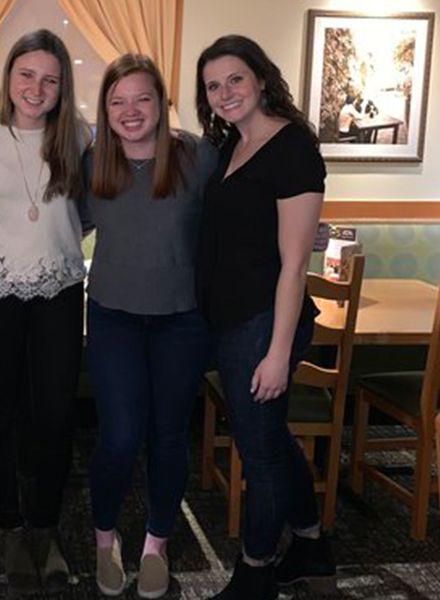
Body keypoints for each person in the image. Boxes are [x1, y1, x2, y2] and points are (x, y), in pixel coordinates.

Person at [195, 35, 335, 600]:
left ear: (260, 77)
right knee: (270, 440)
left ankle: (256, 571)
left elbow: (294, 266)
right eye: (213, 85)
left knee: (258, 454)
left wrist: (277, 353)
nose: (225, 92)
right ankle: (310, 545)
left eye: (235, 78)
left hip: (263, 323)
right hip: (233, 322)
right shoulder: (231, 143)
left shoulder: (292, 146)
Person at [80, 54, 214, 599]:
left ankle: (156, 543)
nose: (130, 111)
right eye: (118, 101)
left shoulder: (198, 156)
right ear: (105, 109)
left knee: (168, 435)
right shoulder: (92, 162)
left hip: (182, 319)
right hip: (113, 316)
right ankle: (105, 537)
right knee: (119, 434)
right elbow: (59, 223)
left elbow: (241, 214)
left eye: (142, 98)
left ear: (162, 103)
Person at [0, 29, 91, 595]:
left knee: (56, 417)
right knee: (1, 413)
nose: (36, 89)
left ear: (63, 87)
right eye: (26, 75)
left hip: (61, 292)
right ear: (8, 75)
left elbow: (97, 204)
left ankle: (45, 527)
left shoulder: (79, 136)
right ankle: (10, 527)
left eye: (50, 79)